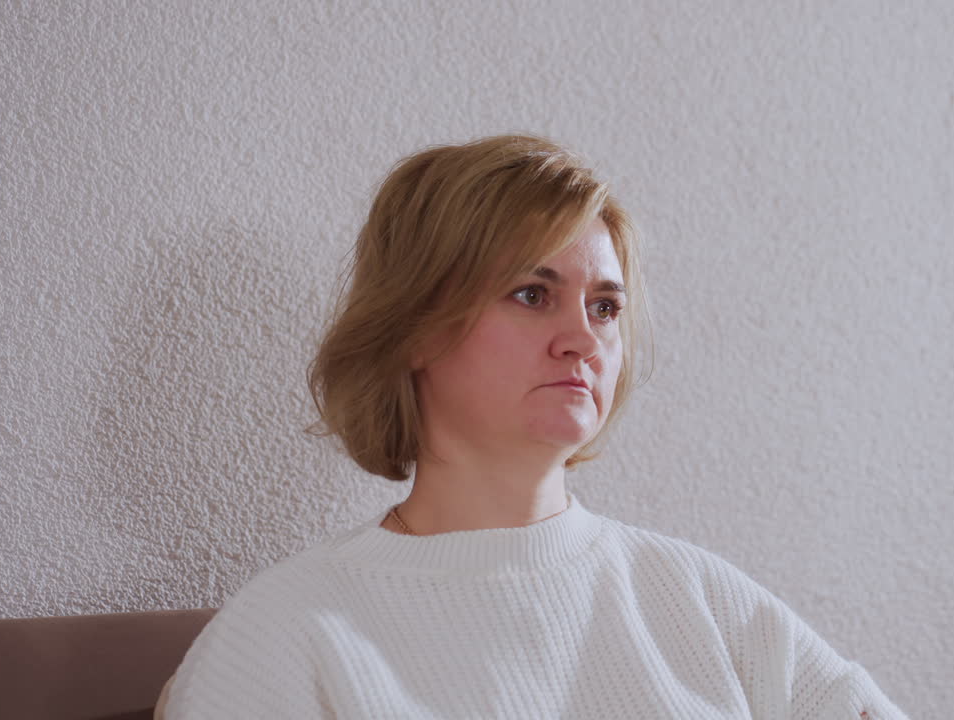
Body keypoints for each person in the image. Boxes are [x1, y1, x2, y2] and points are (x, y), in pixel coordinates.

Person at [161, 134, 908, 719]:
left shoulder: (698, 599)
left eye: (605, 307)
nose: (582, 339)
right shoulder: (285, 635)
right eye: (531, 293)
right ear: (415, 327)